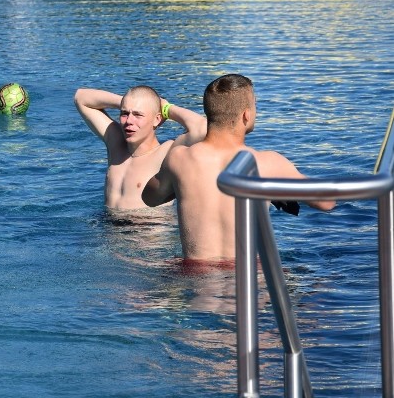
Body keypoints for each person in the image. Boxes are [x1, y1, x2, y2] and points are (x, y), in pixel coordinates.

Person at [143, 74, 336, 263]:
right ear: (246, 115)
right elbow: (326, 203)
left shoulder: (179, 158)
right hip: (251, 276)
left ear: (209, 113)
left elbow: (149, 198)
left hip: (197, 276)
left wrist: (178, 185)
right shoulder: (268, 163)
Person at [74, 85, 207, 210]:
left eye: (138, 115)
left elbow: (202, 128)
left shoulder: (166, 153)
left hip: (147, 231)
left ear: (157, 119)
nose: (129, 121)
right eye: (124, 113)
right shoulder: (115, 143)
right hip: (108, 229)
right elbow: (81, 97)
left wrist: (166, 108)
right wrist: (127, 101)